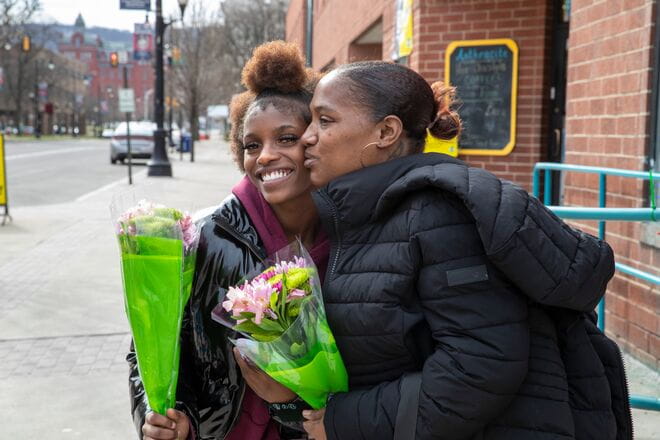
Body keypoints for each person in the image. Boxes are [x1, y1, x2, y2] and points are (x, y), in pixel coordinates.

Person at [300, 61, 631, 440]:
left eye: (324, 121)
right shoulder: (372, 211)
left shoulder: (438, 214)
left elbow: (482, 363)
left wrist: (344, 421)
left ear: (386, 131)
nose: (307, 136)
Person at [128, 41, 327, 440]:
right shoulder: (206, 237)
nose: (266, 155)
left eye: (286, 138)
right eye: (252, 144)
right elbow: (151, 345)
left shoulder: (351, 236)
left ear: (314, 142)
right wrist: (167, 411)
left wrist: (293, 403)